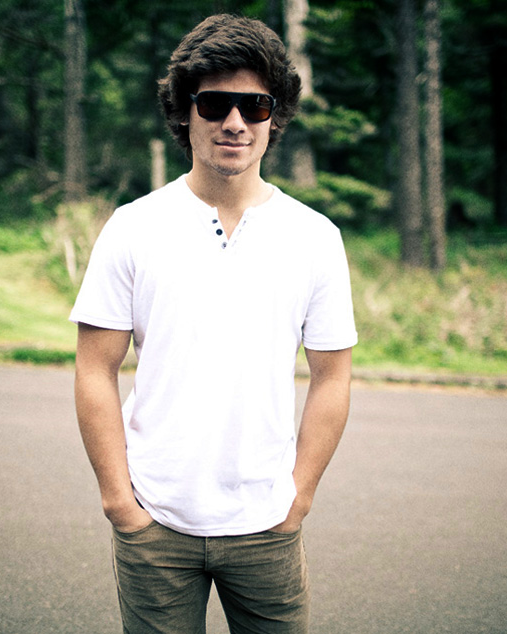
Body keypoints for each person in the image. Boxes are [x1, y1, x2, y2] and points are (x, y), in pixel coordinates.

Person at [70, 13, 357, 634]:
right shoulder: (133, 227)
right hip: (155, 522)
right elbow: (94, 368)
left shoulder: (315, 237)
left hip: (266, 525)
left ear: (274, 117)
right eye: (214, 103)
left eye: (255, 106)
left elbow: (333, 377)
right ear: (185, 112)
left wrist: (298, 496)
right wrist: (120, 502)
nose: (234, 122)